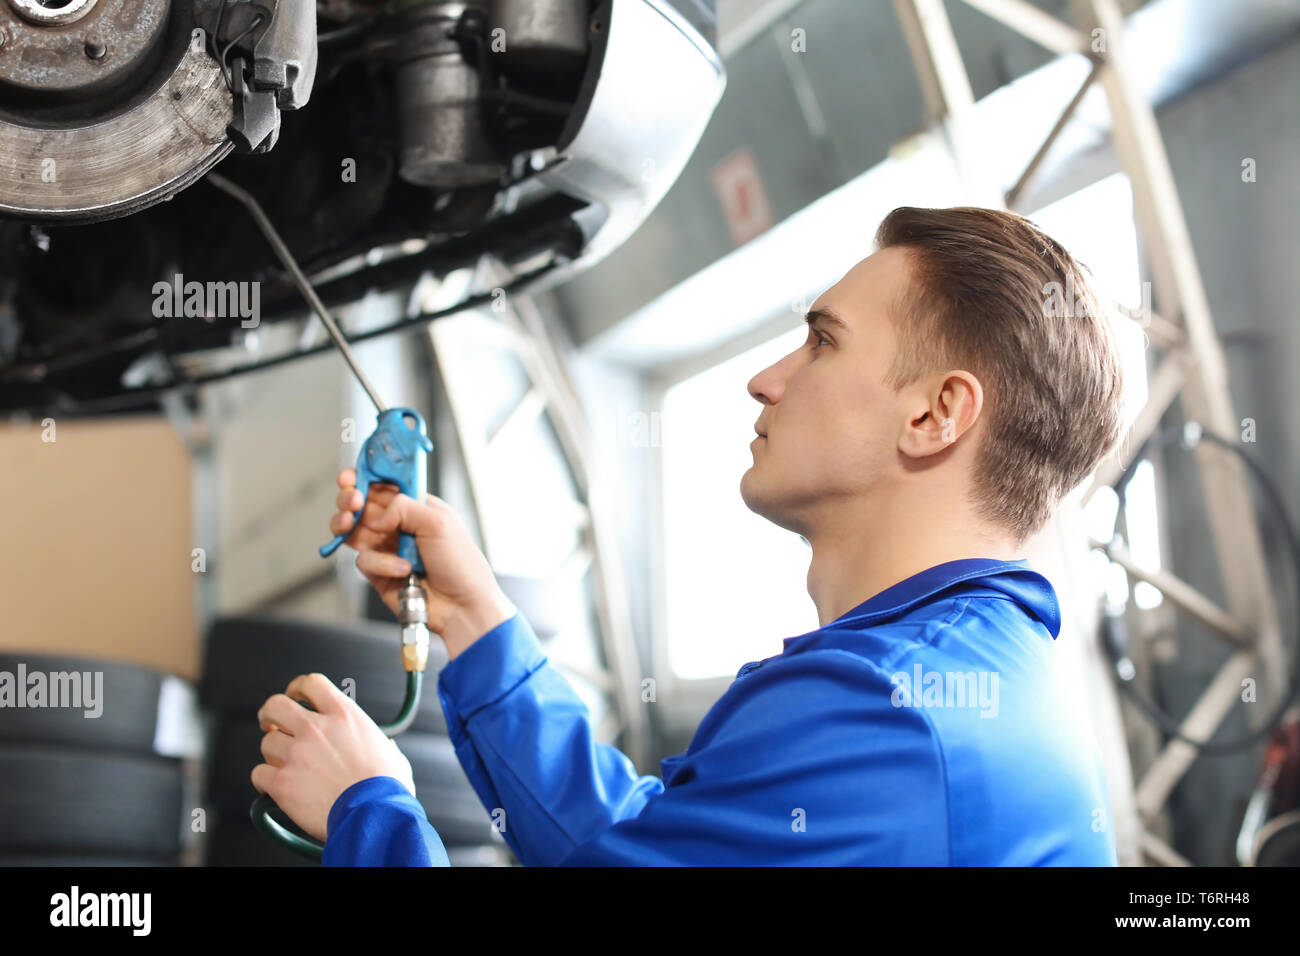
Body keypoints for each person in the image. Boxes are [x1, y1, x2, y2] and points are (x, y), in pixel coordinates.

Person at [252, 205, 1125, 866]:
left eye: (821, 343)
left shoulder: (886, 713)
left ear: (937, 414)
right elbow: (637, 843)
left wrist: (370, 807)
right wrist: (470, 614)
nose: (763, 379)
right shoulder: (963, 677)